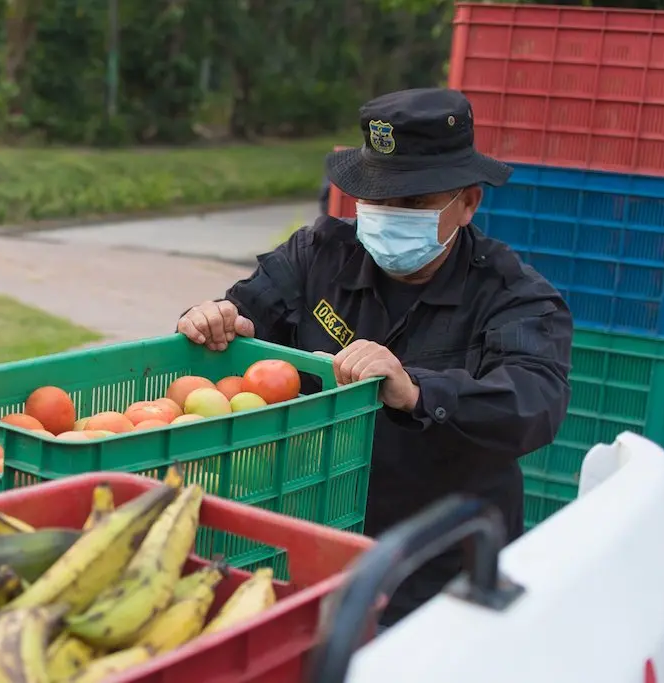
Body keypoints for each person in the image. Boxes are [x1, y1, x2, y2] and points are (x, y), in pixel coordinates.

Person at [176, 88, 573, 627]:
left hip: (438, 566)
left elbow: (533, 402)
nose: (388, 215)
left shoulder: (512, 295)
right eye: (378, 197)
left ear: (468, 202)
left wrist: (417, 391)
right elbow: (249, 309)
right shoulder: (318, 254)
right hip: (307, 531)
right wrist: (219, 320)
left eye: (412, 203)